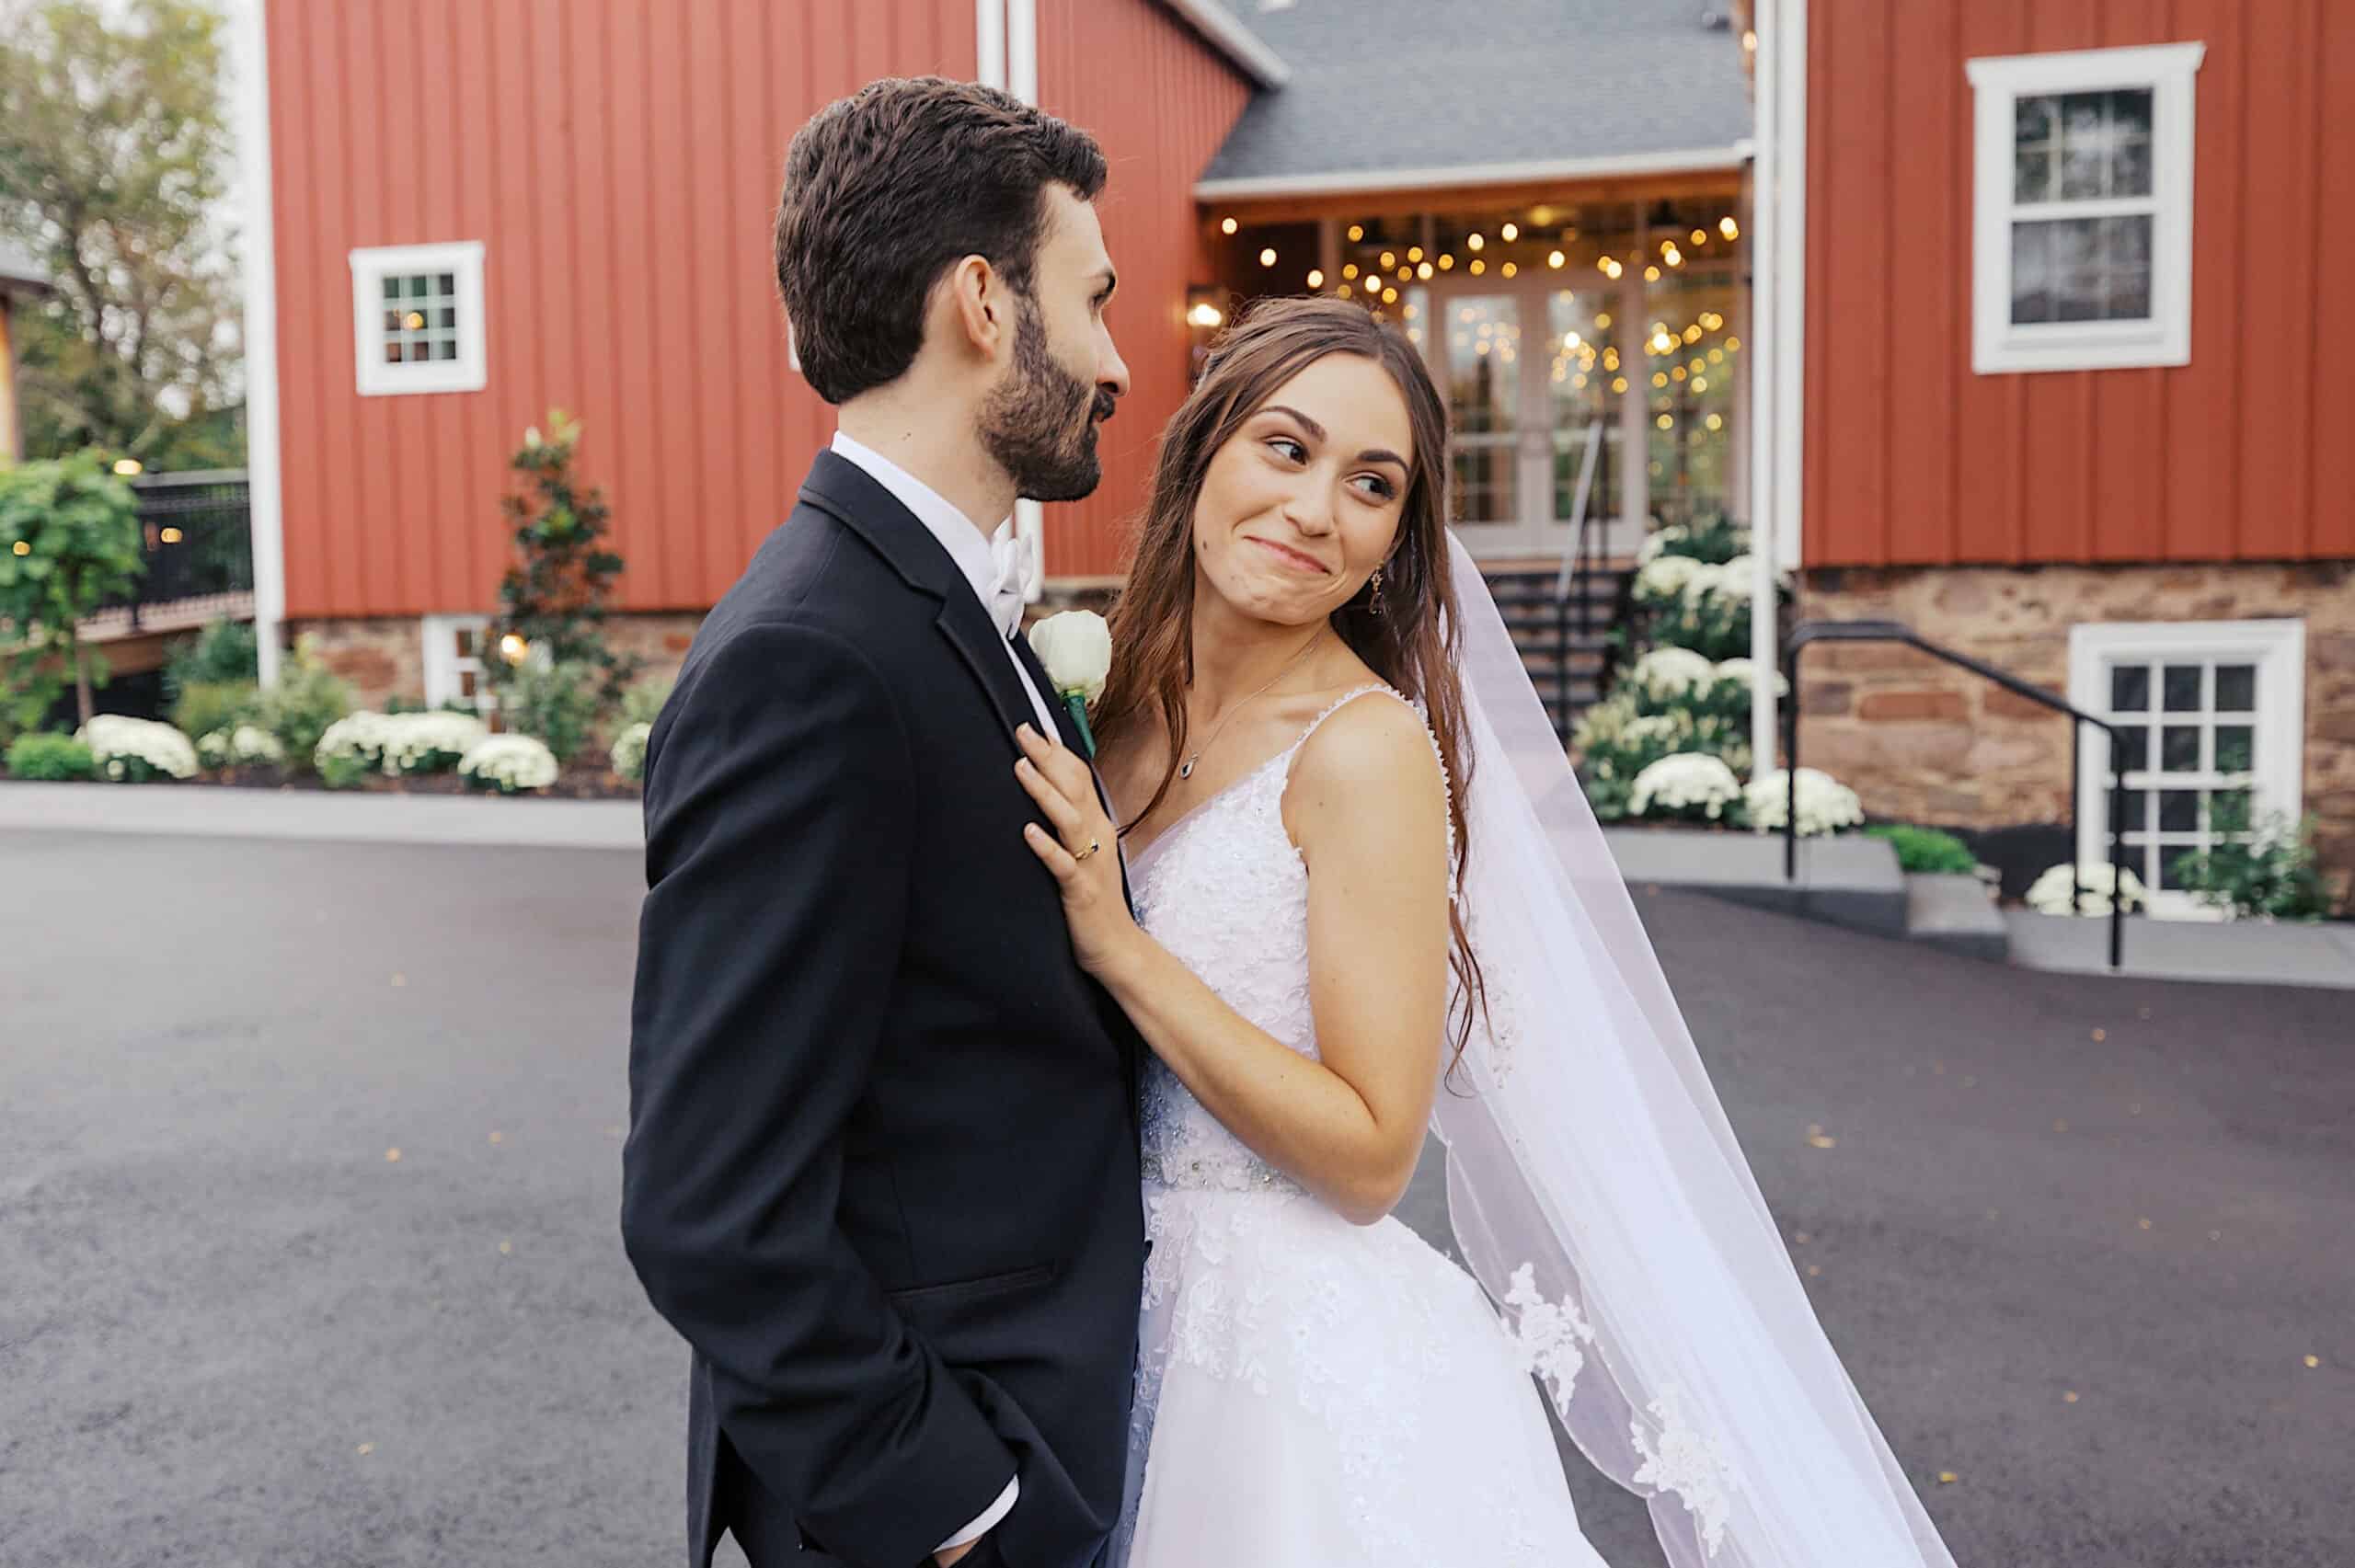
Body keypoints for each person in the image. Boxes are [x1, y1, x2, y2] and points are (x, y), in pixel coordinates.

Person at [1014, 297, 1962, 1568]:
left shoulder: (1364, 753)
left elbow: (1369, 1152)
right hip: (1094, 1322)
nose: (1314, 510)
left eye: (1371, 484)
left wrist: (1123, 944)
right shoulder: (1106, 697)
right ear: (1203, 451)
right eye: (1285, 449)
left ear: (1398, 535)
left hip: (1276, 1375)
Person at [622, 77, 1139, 1568]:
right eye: (1090, 298)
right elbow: (707, 1205)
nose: (1113, 359)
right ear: (983, 301)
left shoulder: (929, 608)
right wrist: (963, 1508)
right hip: (943, 1497)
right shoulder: (813, 659)